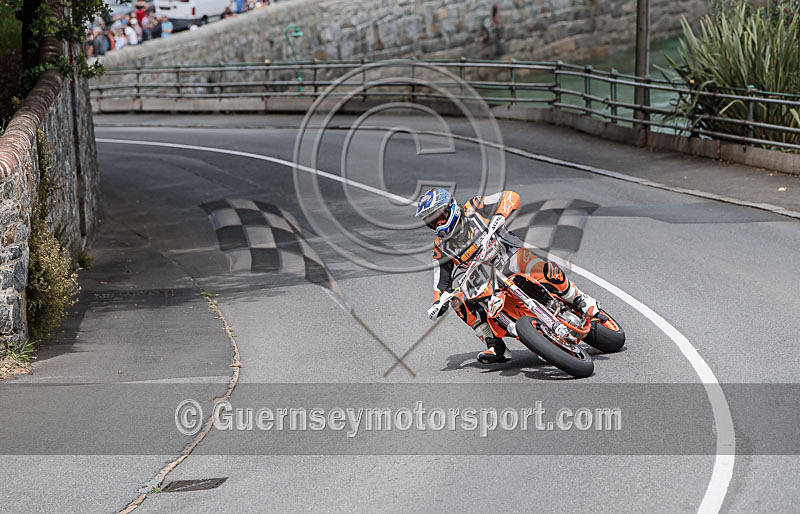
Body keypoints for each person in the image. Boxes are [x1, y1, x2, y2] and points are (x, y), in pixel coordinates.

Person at [416, 188, 599, 364]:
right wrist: (437, 304)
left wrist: (500, 215)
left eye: (440, 217)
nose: (438, 224)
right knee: (459, 302)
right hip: (485, 278)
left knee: (539, 266)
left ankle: (580, 299)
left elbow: (510, 196)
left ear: (451, 208)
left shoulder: (474, 207)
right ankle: (495, 346)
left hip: (511, 256)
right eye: (432, 221)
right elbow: (441, 282)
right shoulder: (440, 247)